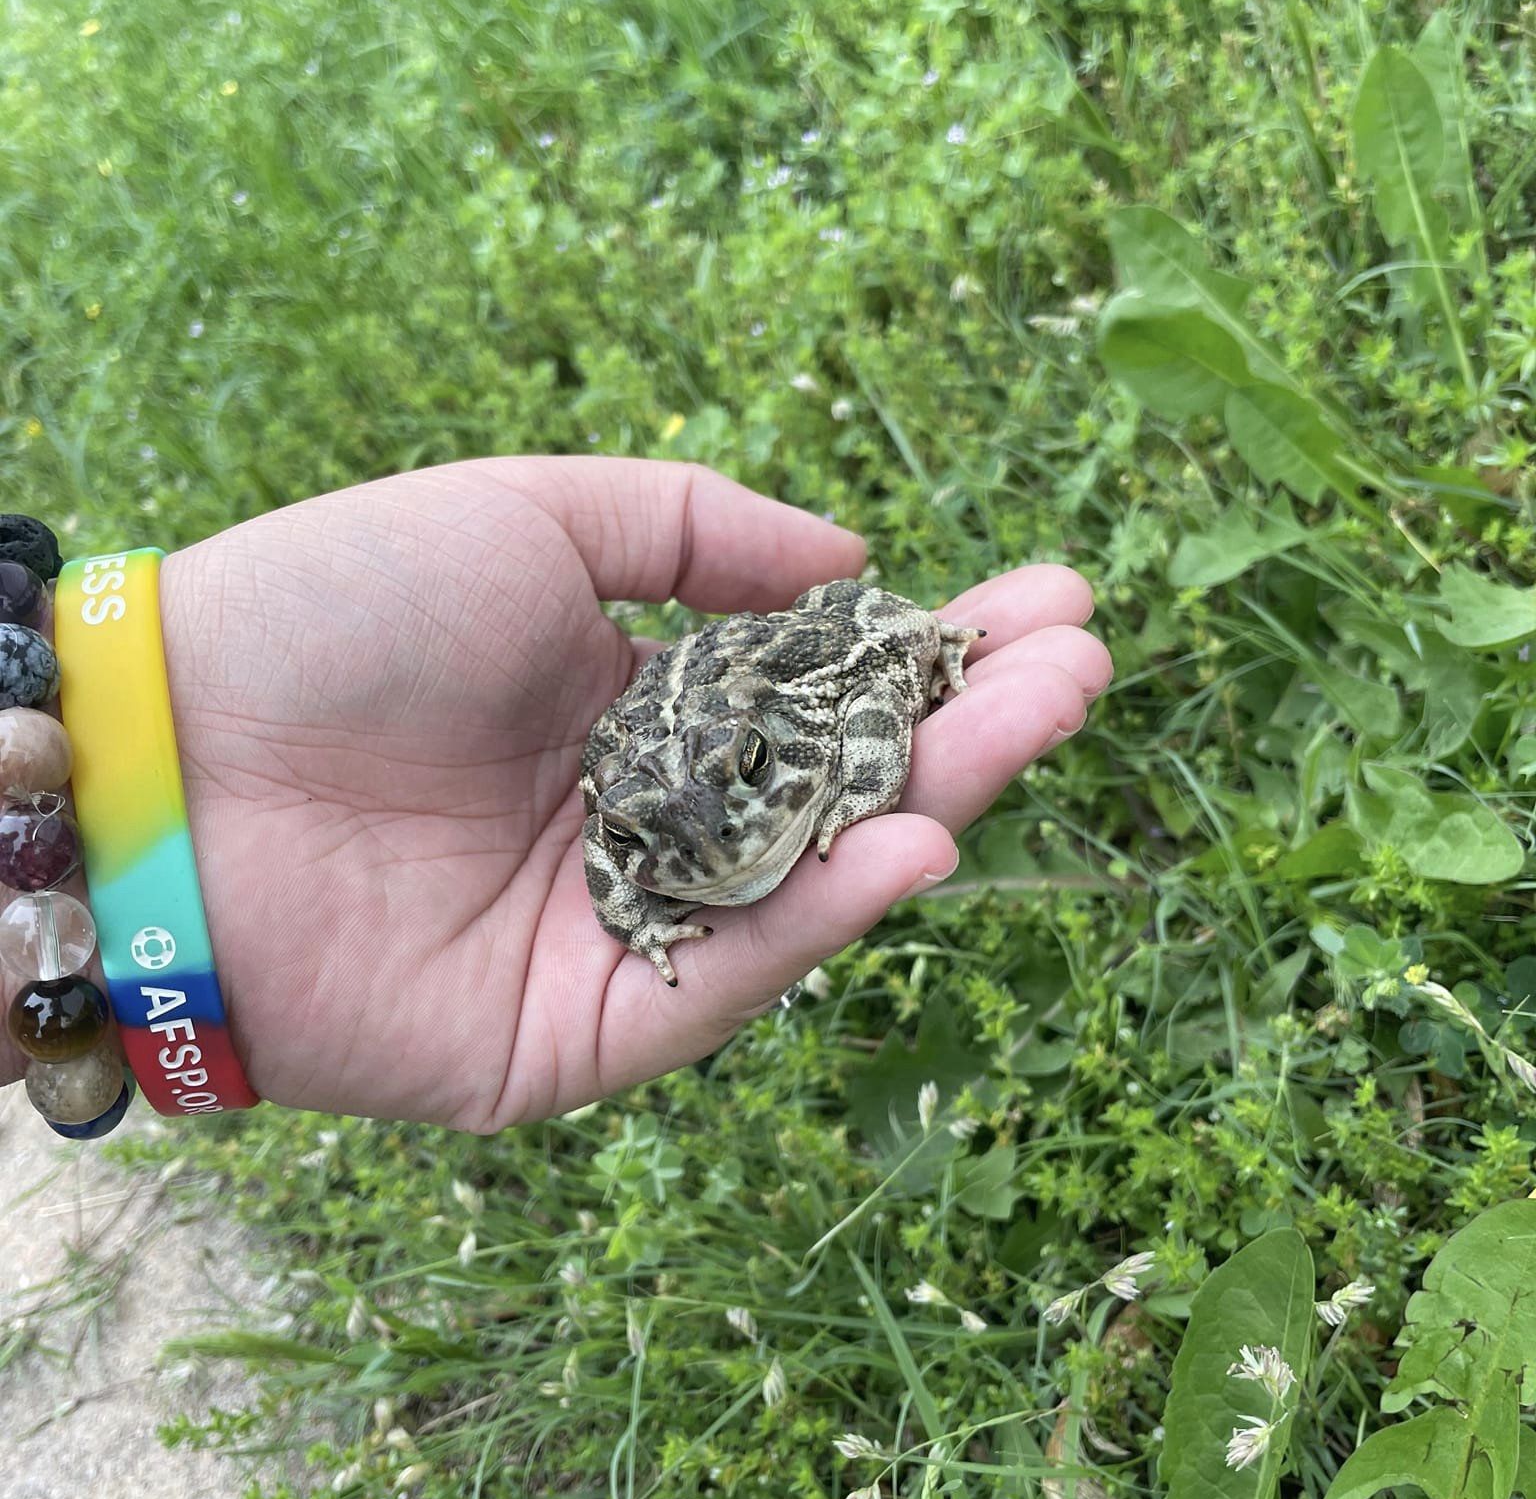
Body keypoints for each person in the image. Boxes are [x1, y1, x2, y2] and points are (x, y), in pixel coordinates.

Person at [2, 459, 1111, 1132]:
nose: (712, 842)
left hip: (750, 695)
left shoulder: (789, 719)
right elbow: (603, 849)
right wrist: (638, 908)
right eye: (643, 838)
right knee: (674, 811)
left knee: (888, 632)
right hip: (645, 761)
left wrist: (863, 773)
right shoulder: (626, 829)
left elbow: (866, 638)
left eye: (736, 794)